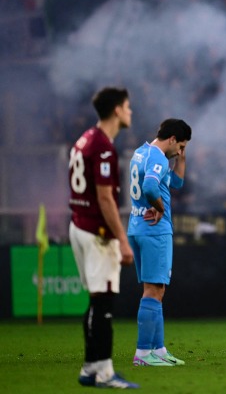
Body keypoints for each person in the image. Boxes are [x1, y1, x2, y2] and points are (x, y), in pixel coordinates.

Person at [68, 86, 139, 389]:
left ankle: (90, 368)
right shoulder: (104, 147)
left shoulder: (85, 139)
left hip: (79, 226)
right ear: (116, 111)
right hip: (97, 233)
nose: (130, 111)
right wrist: (121, 239)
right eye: (127, 106)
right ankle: (105, 373)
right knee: (104, 303)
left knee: (96, 300)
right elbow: (105, 198)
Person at [127, 118, 192, 366]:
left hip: (137, 227)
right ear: (173, 138)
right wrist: (160, 207)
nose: (180, 151)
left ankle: (159, 350)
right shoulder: (158, 157)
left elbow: (174, 183)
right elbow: (151, 187)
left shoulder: (140, 153)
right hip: (155, 230)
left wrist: (181, 160)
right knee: (153, 291)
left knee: (157, 290)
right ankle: (143, 353)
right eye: (181, 146)